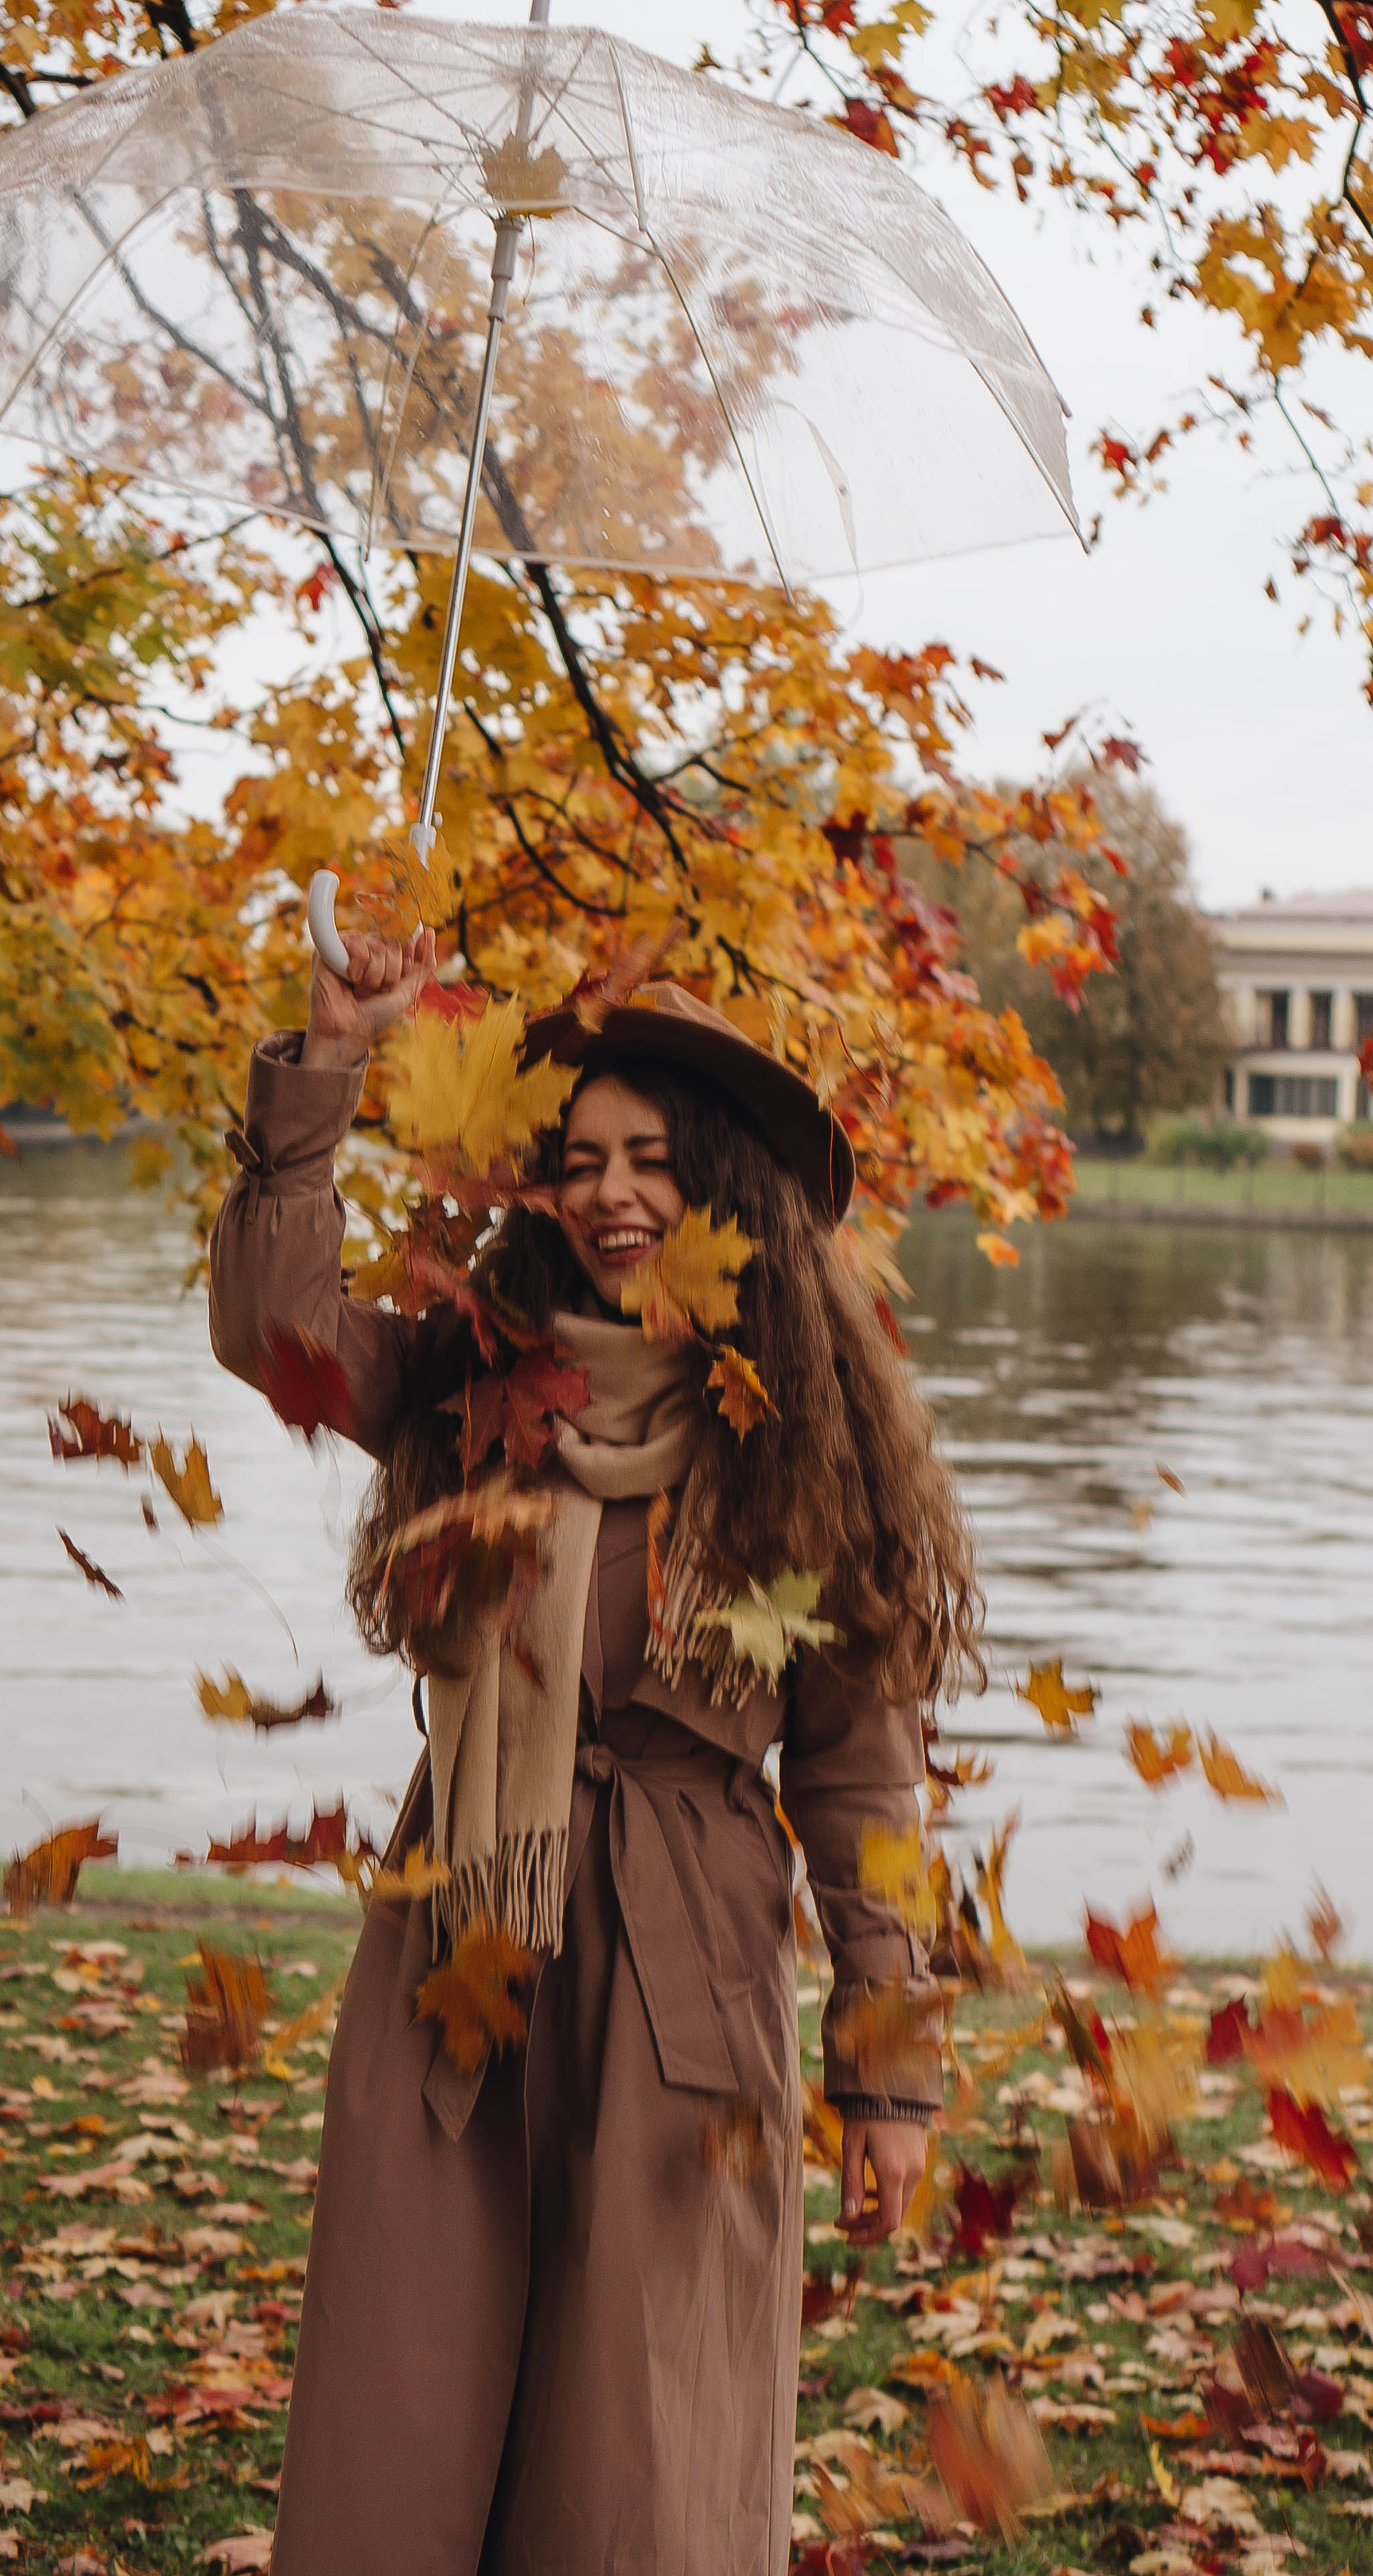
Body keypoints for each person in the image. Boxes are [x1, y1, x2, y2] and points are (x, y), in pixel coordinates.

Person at [208, 918, 983, 2576]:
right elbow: (276, 1332)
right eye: (578, 1162)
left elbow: (859, 1786)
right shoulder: (470, 1374)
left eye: (652, 1158)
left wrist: (888, 2069)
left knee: (632, 2462)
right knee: (403, 2407)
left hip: (681, 1965)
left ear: (726, 1192)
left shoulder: (800, 1446)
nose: (613, 1192)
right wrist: (326, 1065)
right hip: (459, 1938)